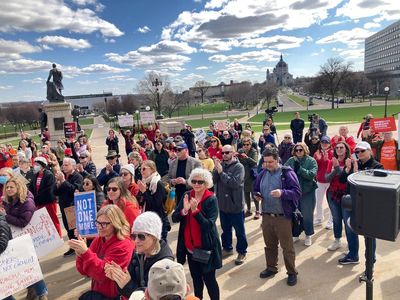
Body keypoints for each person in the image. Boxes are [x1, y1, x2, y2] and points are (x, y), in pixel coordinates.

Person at [253, 147, 301, 286]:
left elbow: (297, 192)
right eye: (265, 162)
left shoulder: (286, 173)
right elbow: (255, 189)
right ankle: (271, 267)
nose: (267, 164)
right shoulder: (262, 173)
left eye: (270, 162)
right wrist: (256, 195)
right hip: (267, 215)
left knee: (287, 247)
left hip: (282, 217)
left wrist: (282, 192)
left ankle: (292, 272)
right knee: (270, 245)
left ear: (277, 160)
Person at [172, 168, 222, 300]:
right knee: (196, 282)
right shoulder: (187, 195)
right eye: (194, 181)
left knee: (210, 281)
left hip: (206, 249)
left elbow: (209, 226)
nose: (197, 184)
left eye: (200, 182)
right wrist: (184, 210)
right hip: (190, 249)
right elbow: (175, 217)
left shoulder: (211, 199)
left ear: (206, 184)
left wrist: (195, 211)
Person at [71, 205, 135, 300]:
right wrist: (80, 254)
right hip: (99, 292)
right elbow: (83, 271)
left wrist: (85, 252)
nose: (99, 227)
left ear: (115, 224)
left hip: (114, 296)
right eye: (97, 223)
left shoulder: (124, 245)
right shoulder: (99, 240)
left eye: (104, 224)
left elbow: (101, 275)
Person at [105, 211, 174, 298]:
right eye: (134, 236)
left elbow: (154, 297)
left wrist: (127, 285)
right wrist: (119, 277)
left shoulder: (165, 264)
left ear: (154, 237)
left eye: (141, 236)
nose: (136, 240)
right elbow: (129, 283)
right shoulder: (139, 252)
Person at [3, 176, 49, 300]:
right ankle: (35, 292)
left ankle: (42, 294)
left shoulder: (27, 201)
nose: (9, 189)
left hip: (26, 240)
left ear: (18, 187)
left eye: (11, 187)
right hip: (15, 240)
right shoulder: (8, 201)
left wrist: (5, 216)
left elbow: (23, 222)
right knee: (25, 269)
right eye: (7, 187)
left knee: (31, 268)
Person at [338, 142, 383, 266]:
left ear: (370, 151)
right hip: (351, 203)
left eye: (362, 151)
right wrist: (347, 170)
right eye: (357, 152)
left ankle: (370, 262)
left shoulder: (377, 166)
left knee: (369, 235)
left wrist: (357, 173)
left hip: (367, 206)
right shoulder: (353, 164)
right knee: (350, 229)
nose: (359, 154)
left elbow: (375, 187)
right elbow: (342, 180)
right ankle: (353, 255)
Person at [212, 144, 247, 265]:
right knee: (225, 229)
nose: (224, 155)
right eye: (223, 153)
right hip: (223, 205)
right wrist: (215, 169)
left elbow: (235, 183)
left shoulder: (239, 167)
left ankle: (242, 251)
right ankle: (227, 248)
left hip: (235, 205)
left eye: (227, 152)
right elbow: (212, 181)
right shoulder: (220, 165)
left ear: (233, 153)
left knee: (239, 231)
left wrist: (222, 173)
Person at [285, 143, 318, 246]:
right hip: (294, 193)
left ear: (305, 150)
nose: (298, 152)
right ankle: (295, 234)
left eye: (300, 150)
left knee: (307, 214)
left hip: (307, 192)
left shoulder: (311, 160)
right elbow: (284, 171)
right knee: (295, 214)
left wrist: (300, 169)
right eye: (296, 150)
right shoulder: (291, 160)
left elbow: (311, 175)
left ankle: (308, 235)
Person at [324, 141, 351, 252]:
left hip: (346, 194)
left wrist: (339, 169)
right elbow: (327, 178)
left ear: (346, 149)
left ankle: (351, 243)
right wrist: (335, 169)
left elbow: (345, 178)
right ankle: (337, 240)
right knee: (336, 218)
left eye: (341, 147)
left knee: (347, 219)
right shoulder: (332, 162)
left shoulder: (350, 162)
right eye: (337, 148)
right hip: (332, 193)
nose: (339, 149)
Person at [54, 157, 83, 256]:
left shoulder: (77, 176)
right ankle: (73, 247)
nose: (64, 167)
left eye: (66, 165)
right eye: (63, 165)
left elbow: (74, 190)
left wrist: (63, 181)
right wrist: (58, 183)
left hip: (72, 207)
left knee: (74, 229)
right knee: (68, 229)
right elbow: (55, 193)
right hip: (63, 206)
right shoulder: (64, 177)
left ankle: (78, 247)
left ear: (73, 166)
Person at [29, 156, 62, 237]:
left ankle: (58, 235)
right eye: (34, 164)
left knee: (52, 218)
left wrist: (36, 199)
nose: (34, 166)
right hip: (38, 202)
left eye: (36, 164)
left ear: (42, 165)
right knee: (43, 220)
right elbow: (32, 187)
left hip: (48, 202)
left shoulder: (49, 175)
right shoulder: (35, 175)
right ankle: (48, 236)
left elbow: (48, 190)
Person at [138, 160, 170, 241]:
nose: (141, 171)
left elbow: (156, 204)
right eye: (140, 169)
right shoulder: (145, 182)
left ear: (152, 169)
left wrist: (144, 191)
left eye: (144, 169)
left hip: (159, 221)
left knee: (160, 247)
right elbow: (140, 201)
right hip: (148, 220)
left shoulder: (157, 183)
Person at [168, 142, 201, 209]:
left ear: (186, 150)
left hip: (191, 194)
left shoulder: (195, 162)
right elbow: (168, 178)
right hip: (176, 195)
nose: (177, 152)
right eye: (175, 150)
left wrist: (185, 182)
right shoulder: (172, 163)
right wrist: (172, 181)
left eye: (179, 150)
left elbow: (200, 180)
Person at [313, 136, 333, 229]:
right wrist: (319, 159)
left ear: (329, 144)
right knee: (318, 201)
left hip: (330, 181)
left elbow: (333, 164)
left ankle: (331, 220)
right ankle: (319, 218)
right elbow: (315, 166)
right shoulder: (317, 153)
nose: (324, 144)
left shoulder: (333, 152)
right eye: (322, 142)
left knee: (331, 202)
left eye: (326, 142)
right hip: (320, 180)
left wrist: (326, 160)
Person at [237, 137, 259, 219]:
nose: (246, 146)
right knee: (246, 194)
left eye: (247, 144)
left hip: (252, 176)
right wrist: (236, 156)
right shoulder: (240, 151)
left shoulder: (254, 151)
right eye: (244, 144)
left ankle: (257, 211)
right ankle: (249, 210)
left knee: (254, 194)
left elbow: (255, 162)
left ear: (250, 144)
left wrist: (246, 158)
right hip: (243, 175)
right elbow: (238, 162)